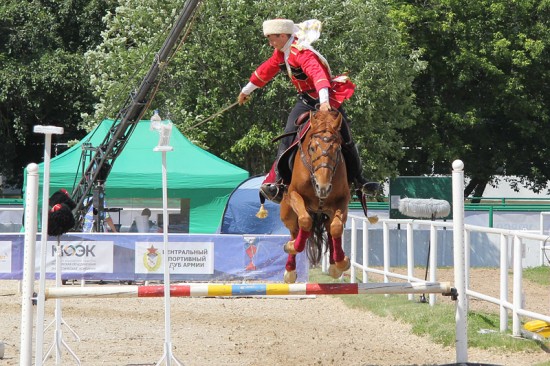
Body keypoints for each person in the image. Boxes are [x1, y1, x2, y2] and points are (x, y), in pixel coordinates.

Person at [238, 18, 378, 203]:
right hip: (305, 100)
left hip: (326, 98)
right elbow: (265, 71)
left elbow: (318, 76)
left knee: (346, 135)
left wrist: (325, 103)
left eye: (272, 39)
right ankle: (277, 182)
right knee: (288, 134)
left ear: (283, 35)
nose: (270, 43)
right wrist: (245, 91)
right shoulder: (280, 53)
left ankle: (360, 180)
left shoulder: (303, 54)